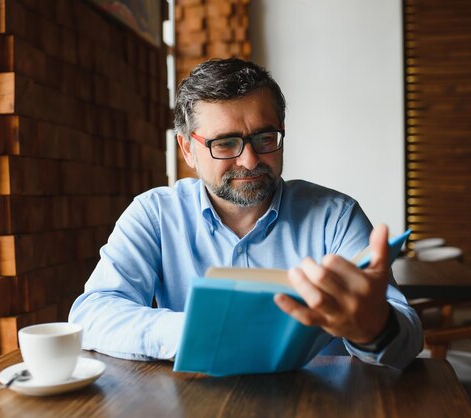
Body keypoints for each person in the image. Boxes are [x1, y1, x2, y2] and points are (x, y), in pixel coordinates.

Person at [69, 58, 423, 369]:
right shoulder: (154, 214)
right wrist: (199, 331)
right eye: (225, 143)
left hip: (319, 401)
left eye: (265, 138)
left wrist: (375, 328)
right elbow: (94, 313)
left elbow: (408, 337)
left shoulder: (335, 215)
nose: (250, 160)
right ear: (187, 149)